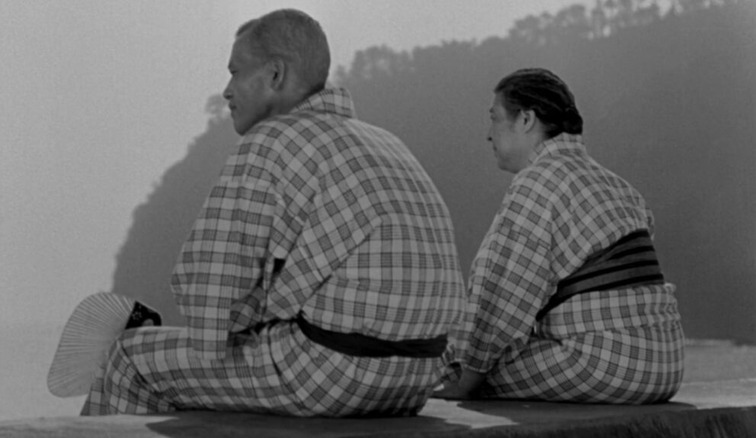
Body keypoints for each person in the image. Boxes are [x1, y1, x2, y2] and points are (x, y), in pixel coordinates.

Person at [81, 9, 465, 417]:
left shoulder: (270, 140)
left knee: (130, 358)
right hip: (418, 376)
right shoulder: (384, 141)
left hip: (330, 375)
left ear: (275, 75)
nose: (227, 91)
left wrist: (216, 327)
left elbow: (214, 288)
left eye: (235, 72)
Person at [434, 68, 684, 404]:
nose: (488, 135)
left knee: (467, 371)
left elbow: (503, 296)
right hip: (668, 361)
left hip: (607, 362)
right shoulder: (617, 184)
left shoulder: (537, 182)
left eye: (494, 118)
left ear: (526, 119)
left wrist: (466, 378)